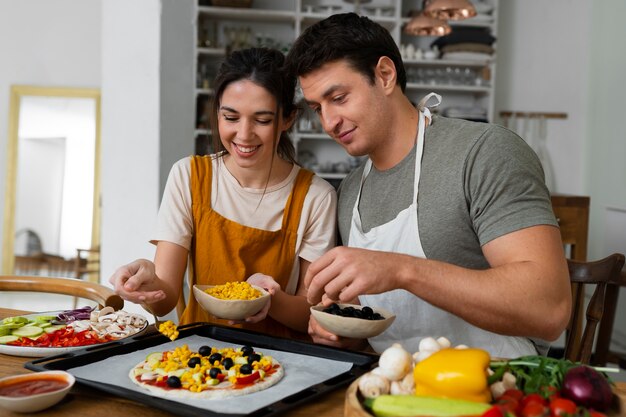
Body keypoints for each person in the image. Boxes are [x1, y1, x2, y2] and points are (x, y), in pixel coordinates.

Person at [285, 13, 571, 357]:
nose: (328, 122)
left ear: (385, 75)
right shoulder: (349, 194)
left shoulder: (484, 152)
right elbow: (391, 328)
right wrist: (346, 331)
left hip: (495, 389)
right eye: (317, 108)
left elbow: (548, 309)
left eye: (340, 97)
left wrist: (401, 269)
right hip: (391, 393)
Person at [109, 47, 337, 340]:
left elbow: (310, 313)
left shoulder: (315, 197)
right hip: (195, 356)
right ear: (216, 112)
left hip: (280, 360)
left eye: (262, 120)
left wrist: (269, 298)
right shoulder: (190, 177)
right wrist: (145, 280)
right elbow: (165, 299)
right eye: (231, 117)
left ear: (287, 119)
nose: (244, 134)